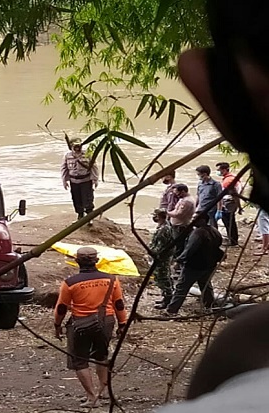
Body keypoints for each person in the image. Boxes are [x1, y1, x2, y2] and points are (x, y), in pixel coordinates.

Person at [154, 0, 269, 410]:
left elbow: (191, 244)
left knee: (187, 281)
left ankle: (174, 305)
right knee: (198, 283)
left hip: (197, 259)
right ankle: (201, 300)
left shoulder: (241, 365)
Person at [54, 247, 127, 408]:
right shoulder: (112, 279)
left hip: (80, 323)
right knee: (101, 355)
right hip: (106, 321)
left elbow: (61, 307)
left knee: (80, 360)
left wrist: (57, 325)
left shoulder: (70, 283)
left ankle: (92, 397)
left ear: (77, 261)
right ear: (97, 261)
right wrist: (122, 324)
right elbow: (119, 304)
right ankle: (104, 391)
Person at [164, 213, 224, 316]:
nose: (193, 221)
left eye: (196, 219)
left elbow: (189, 250)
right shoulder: (215, 231)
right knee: (206, 286)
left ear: (203, 220)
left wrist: (179, 260)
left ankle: (171, 310)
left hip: (194, 265)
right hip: (210, 264)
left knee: (182, 288)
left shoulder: (198, 233)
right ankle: (209, 307)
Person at [61, 139, 99, 222]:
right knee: (76, 199)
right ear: (71, 146)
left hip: (86, 180)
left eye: (79, 145)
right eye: (75, 146)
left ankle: (89, 217)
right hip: (74, 181)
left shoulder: (87, 154)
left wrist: (95, 179)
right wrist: (64, 181)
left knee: (88, 199)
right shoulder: (67, 156)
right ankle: (80, 216)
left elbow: (94, 167)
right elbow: (64, 168)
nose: (77, 147)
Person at [149, 209, 175, 310]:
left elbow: (160, 246)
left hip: (161, 258)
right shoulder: (165, 226)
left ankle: (168, 299)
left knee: (162, 277)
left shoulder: (164, 229)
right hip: (163, 257)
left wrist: (152, 253)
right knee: (165, 276)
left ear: (159, 216)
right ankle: (166, 296)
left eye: (155, 215)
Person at [167, 184, 195, 266]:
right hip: (178, 225)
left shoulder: (187, 202)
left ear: (183, 191)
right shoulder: (184, 199)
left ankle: (178, 264)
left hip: (180, 226)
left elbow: (178, 214)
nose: (176, 194)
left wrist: (167, 213)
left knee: (179, 246)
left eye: (177, 192)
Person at [215, 162, 242, 246]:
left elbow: (234, 194)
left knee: (229, 222)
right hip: (231, 203)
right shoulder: (232, 177)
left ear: (224, 170)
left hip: (229, 203)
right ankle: (232, 239)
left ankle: (233, 241)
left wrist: (239, 206)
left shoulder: (228, 181)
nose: (218, 172)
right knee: (230, 222)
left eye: (219, 170)